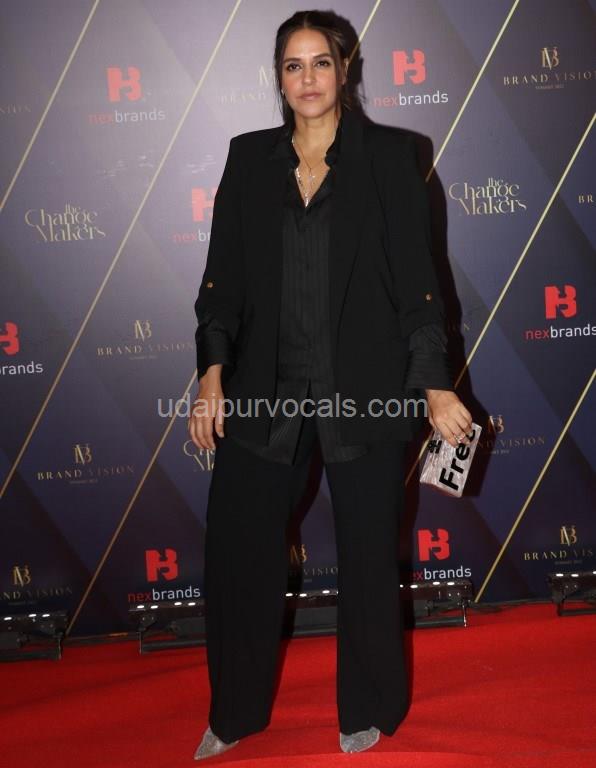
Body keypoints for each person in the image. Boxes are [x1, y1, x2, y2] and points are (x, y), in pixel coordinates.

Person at [188, 10, 473, 761]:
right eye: (294, 65)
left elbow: (418, 286)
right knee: (239, 554)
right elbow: (222, 283)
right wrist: (211, 376)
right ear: (278, 78)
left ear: (345, 71)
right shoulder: (248, 159)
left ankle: (369, 704)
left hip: (366, 389)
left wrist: (435, 385)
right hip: (264, 393)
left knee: (370, 553)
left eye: (321, 62)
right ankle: (234, 711)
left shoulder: (393, 157)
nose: (308, 78)